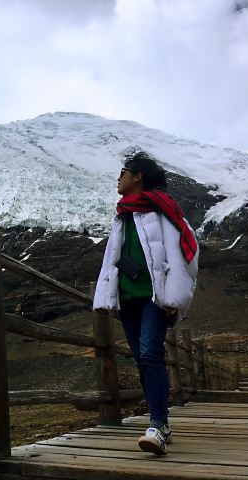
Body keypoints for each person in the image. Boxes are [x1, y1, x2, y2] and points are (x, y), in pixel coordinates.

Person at [93, 152, 199, 455]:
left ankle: (157, 425)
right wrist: (105, 295)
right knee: (143, 360)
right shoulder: (122, 215)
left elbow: (183, 255)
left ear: (137, 177)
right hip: (127, 297)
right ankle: (161, 421)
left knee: (151, 354)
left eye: (123, 171)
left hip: (155, 296)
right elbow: (111, 259)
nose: (119, 177)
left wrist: (173, 297)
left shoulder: (162, 211)